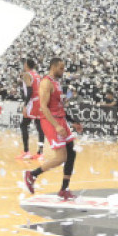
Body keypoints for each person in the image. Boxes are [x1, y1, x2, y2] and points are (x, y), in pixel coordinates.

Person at [22, 57, 78, 201]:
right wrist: (56, 125)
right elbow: (44, 107)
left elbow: (59, 106)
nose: (63, 70)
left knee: (71, 152)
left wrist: (73, 121)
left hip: (60, 119)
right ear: (53, 67)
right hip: (50, 121)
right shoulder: (46, 83)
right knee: (61, 157)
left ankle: (64, 189)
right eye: (61, 68)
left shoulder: (56, 83)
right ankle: (32, 174)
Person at [19, 59, 45, 160]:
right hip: (40, 101)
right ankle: (40, 152)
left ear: (26, 65)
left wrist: (25, 105)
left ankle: (26, 151)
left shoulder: (27, 74)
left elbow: (29, 90)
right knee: (39, 127)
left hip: (33, 102)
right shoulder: (37, 75)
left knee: (23, 125)